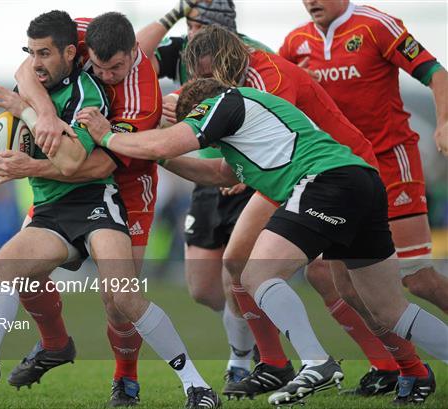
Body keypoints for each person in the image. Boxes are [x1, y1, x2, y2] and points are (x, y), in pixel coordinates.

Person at [76, 78, 447, 406]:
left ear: (199, 109)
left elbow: (168, 142)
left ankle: (315, 361)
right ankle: (416, 368)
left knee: (255, 274)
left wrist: (108, 136)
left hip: (325, 182)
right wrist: (160, 158)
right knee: (388, 310)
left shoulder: (221, 102)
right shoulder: (246, 130)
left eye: (192, 119)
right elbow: (215, 172)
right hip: (360, 183)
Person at [0, 11, 221, 409]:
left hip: (111, 191)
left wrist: (28, 125)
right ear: (82, 51)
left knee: (121, 299)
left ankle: (191, 385)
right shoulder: (66, 46)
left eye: (114, 67)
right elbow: (26, 71)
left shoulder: (120, 97)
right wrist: (40, 111)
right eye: (97, 64)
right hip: (52, 204)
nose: (104, 73)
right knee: (5, 271)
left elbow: (86, 165)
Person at [185, 24, 439, 400]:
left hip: (327, 172)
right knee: (345, 287)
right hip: (324, 173)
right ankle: (400, 368)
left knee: (242, 259)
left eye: (208, 73)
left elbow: (267, 143)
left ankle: (284, 363)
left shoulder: (266, 76)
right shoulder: (254, 71)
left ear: (226, 59)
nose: (206, 82)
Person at [137, 0, 274, 384]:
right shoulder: (181, 50)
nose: (189, 31)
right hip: (206, 177)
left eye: (195, 23)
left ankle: (243, 360)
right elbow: (133, 55)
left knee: (238, 279)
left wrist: (256, 170)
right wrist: (173, 13)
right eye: (188, 22)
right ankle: (254, 336)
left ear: (221, 28)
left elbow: (277, 112)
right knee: (201, 289)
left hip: (249, 179)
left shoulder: (255, 57)